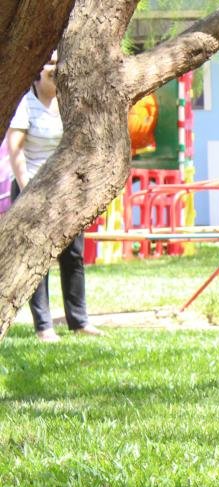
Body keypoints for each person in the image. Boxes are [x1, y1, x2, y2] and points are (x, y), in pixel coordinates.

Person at [6, 51, 103, 342]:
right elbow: (15, 150)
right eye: (51, 64)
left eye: (60, 63)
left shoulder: (67, 104)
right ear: (38, 71)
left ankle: (79, 321)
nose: (57, 69)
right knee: (38, 260)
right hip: (32, 189)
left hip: (64, 192)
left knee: (73, 256)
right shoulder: (26, 104)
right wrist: (28, 190)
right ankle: (44, 327)